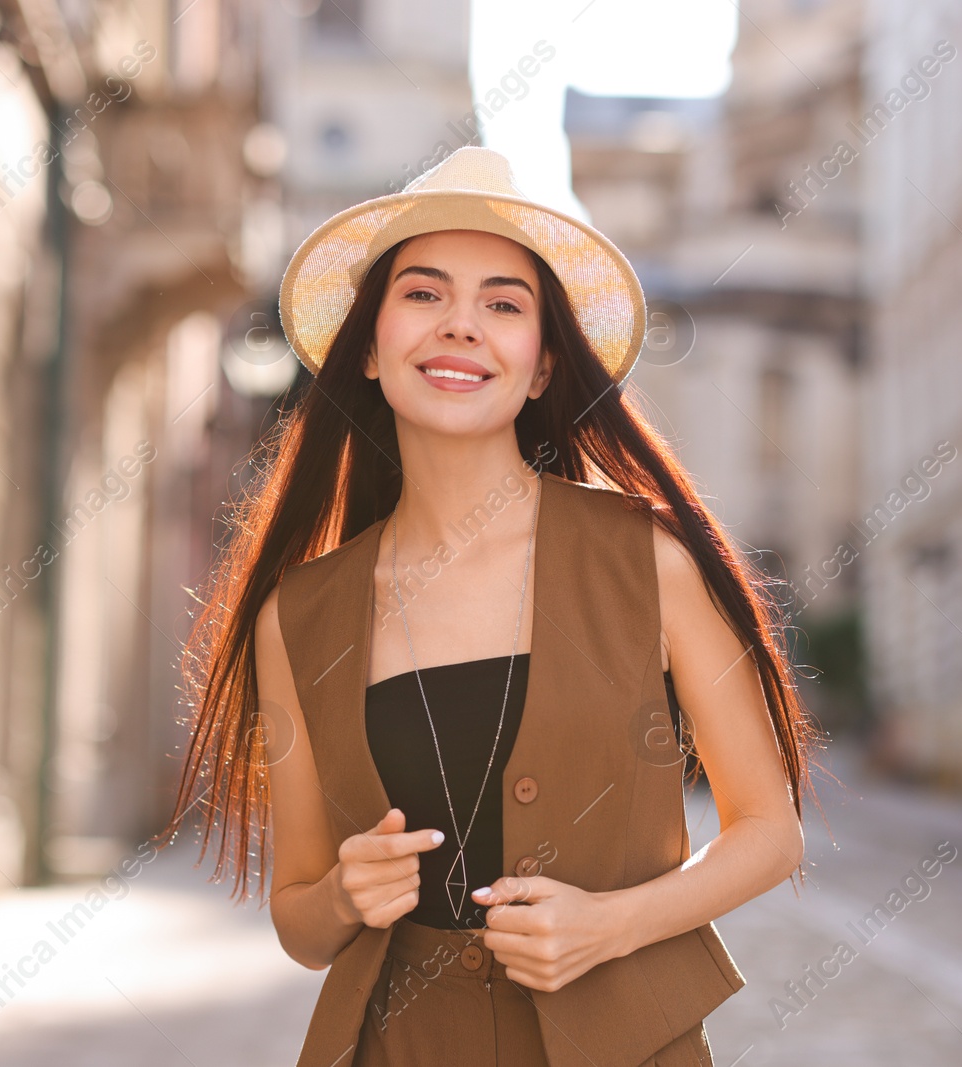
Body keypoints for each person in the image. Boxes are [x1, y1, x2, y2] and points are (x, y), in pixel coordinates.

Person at [154, 147, 828, 1066]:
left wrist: (612, 926)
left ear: (544, 364)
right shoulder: (296, 617)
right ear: (369, 343)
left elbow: (769, 831)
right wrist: (346, 894)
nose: (461, 326)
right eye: (424, 294)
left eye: (503, 304)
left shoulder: (646, 561)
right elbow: (301, 921)